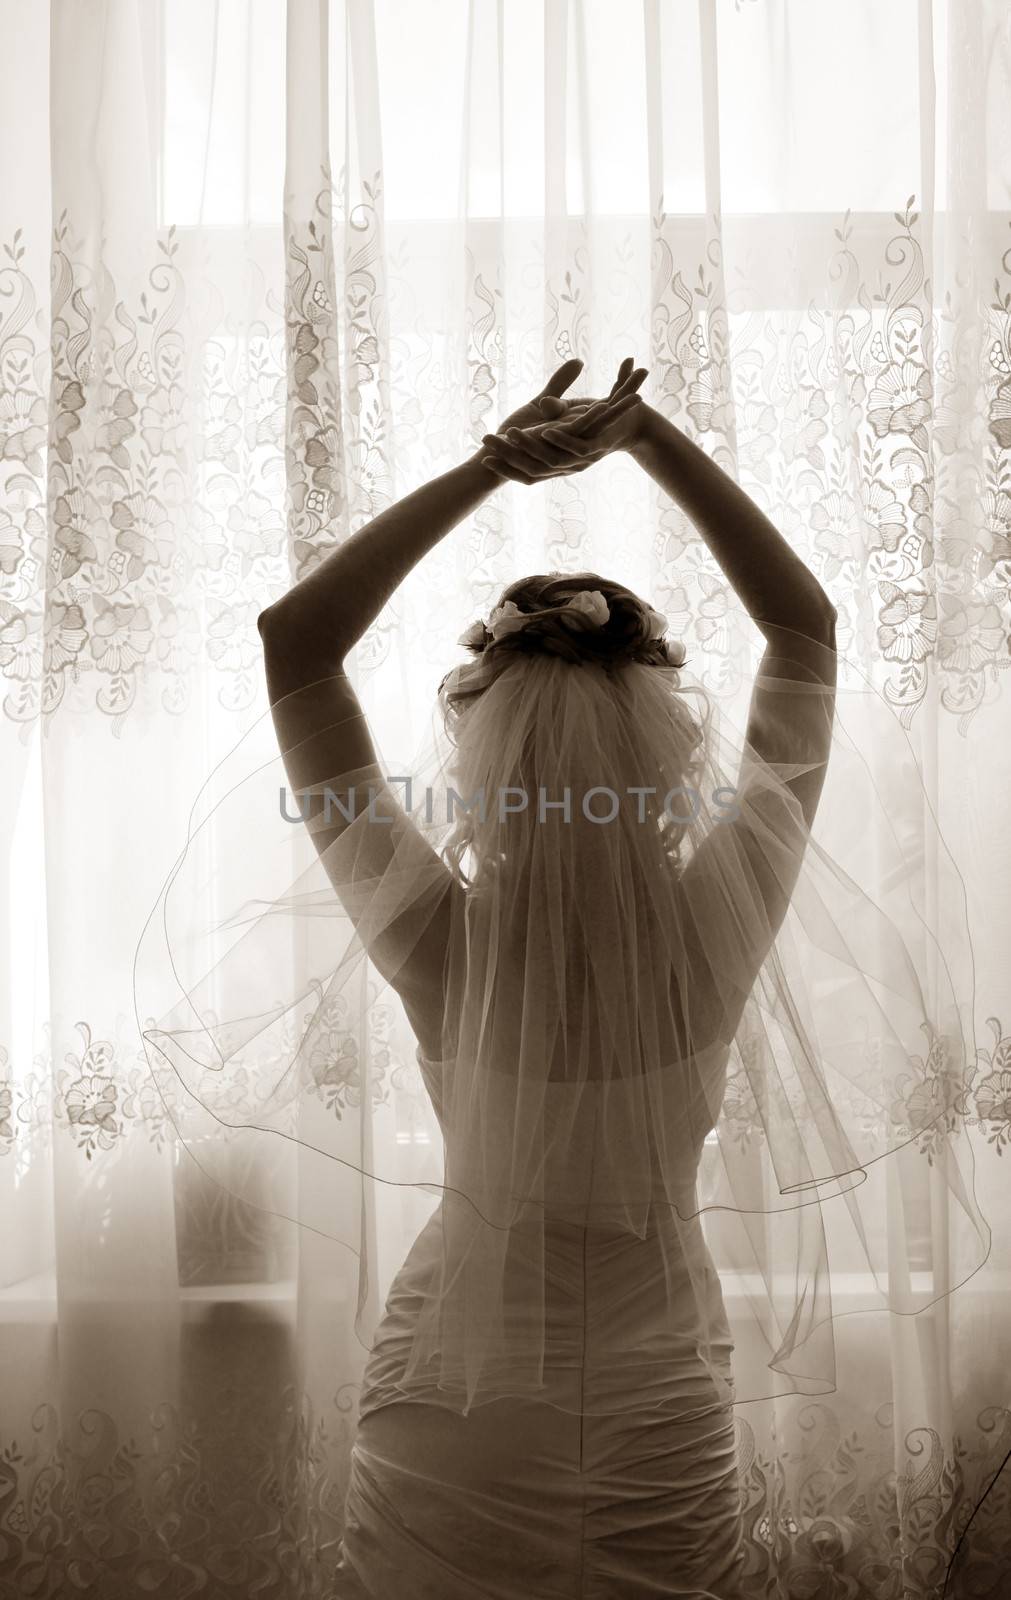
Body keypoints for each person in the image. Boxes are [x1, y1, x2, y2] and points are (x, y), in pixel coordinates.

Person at [139, 360, 984, 1598]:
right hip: (658, 1388)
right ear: (666, 753)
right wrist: (645, 438)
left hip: (455, 1386)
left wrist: (496, 464)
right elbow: (804, 629)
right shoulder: (719, 923)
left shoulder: (434, 939)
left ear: (480, 757)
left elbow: (295, 644)